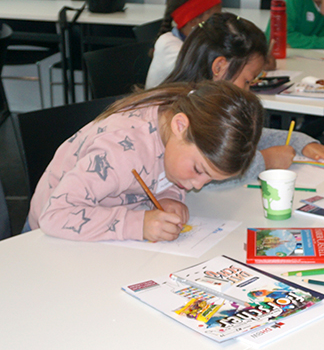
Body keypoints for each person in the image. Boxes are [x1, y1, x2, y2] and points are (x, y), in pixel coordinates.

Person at [27, 82, 263, 242]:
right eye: (198, 170)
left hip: (98, 235)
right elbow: (55, 216)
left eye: (209, 179)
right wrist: (137, 224)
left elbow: (159, 170)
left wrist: (169, 196)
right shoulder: (119, 152)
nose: (197, 186)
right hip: (45, 240)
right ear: (180, 126)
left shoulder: (170, 130)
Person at [164, 12, 324, 188]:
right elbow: (205, 177)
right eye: (247, 81)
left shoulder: (200, 103)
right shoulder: (173, 112)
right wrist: (265, 161)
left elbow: (250, 138)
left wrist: (299, 142)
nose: (248, 91)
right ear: (219, 66)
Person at [145, 0, 223, 88]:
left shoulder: (193, 42)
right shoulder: (170, 47)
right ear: (193, 21)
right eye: (214, 18)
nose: (220, 22)